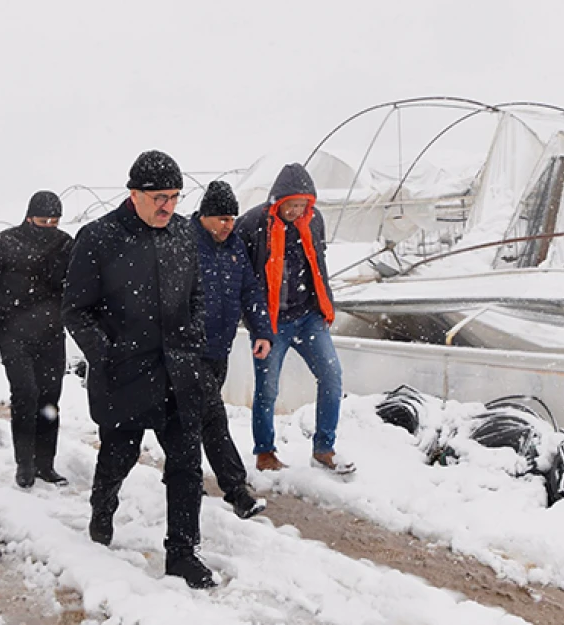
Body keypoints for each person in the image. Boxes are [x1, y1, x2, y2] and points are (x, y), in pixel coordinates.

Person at [63, 150, 215, 589]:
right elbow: (76, 310)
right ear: (134, 194)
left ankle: (183, 553)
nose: (168, 206)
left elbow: (197, 295)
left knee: (186, 463)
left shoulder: (184, 233)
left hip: (179, 370)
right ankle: (102, 503)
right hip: (125, 372)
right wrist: (106, 353)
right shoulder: (98, 238)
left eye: (174, 196)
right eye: (159, 198)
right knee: (119, 456)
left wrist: (193, 340)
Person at [234, 163, 355, 475]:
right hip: (270, 324)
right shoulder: (251, 224)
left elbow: (319, 264)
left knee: (331, 376)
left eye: (303, 204)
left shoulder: (313, 222)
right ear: (278, 200)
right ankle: (265, 452)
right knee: (268, 389)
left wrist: (326, 305)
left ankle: (324, 449)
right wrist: (252, 320)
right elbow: (241, 276)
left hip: (308, 317)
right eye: (292, 204)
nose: (297, 210)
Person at [0, 191, 74, 488]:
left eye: (54, 221)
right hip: (13, 331)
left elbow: (78, 286)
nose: (48, 226)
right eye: (43, 220)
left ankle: (46, 464)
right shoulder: (5, 243)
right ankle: (25, 464)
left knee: (49, 397)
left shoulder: (65, 245)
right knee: (26, 393)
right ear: (29, 216)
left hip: (51, 332)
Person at [189, 181, 273, 519]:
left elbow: (249, 292)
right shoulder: (185, 242)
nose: (228, 225)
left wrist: (261, 330)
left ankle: (184, 477)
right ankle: (236, 490)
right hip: (188, 348)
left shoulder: (236, 247)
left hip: (218, 349)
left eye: (232, 218)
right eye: (222, 218)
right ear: (205, 216)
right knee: (212, 415)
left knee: (194, 419)